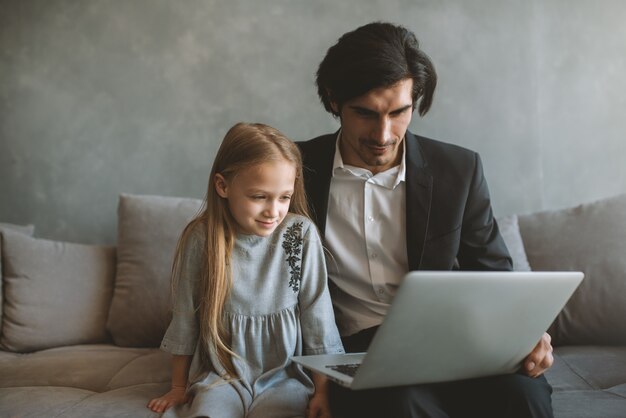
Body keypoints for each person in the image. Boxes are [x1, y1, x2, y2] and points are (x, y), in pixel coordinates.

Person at [297, 22, 554, 418]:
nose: (383, 134)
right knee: (403, 404)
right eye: (365, 113)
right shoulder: (294, 171)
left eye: (399, 112)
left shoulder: (459, 169)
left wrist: (525, 334)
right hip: (356, 351)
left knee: (526, 396)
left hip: (453, 342)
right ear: (333, 101)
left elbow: (493, 276)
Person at [147, 122, 344, 418]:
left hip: (285, 377)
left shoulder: (299, 234)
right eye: (259, 196)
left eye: (284, 197)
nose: (273, 211)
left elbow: (319, 318)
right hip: (220, 376)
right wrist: (178, 386)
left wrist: (323, 391)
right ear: (223, 186)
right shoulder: (202, 238)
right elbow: (185, 315)